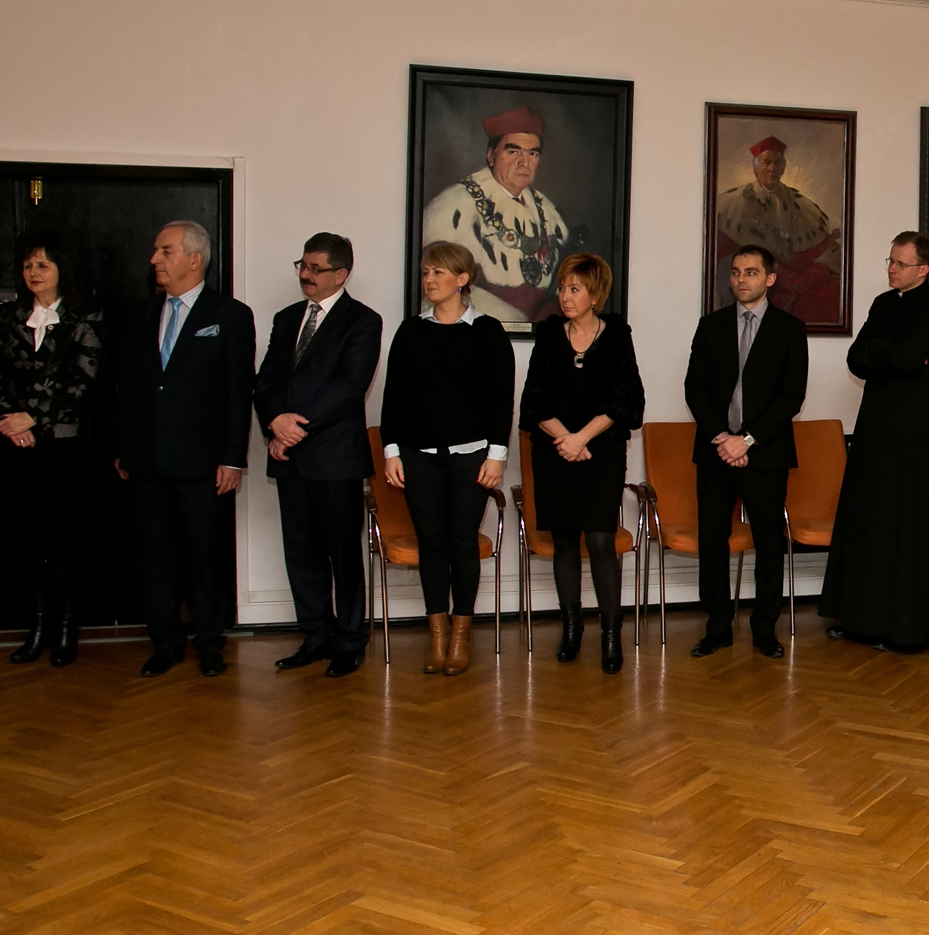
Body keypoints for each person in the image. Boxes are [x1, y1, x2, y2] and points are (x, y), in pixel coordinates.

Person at [114, 220, 256, 678]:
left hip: (204, 464)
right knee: (156, 557)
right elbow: (128, 388)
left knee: (206, 556)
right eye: (156, 251)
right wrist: (123, 447)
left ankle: (210, 642)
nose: (154, 259)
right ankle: (166, 643)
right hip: (147, 460)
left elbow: (238, 393)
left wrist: (232, 457)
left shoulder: (230, 315)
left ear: (195, 259)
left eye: (165, 251)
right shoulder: (141, 314)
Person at [380, 241, 514, 676]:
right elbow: (394, 397)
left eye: (438, 272)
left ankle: (461, 635)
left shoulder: (487, 331)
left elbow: (501, 399)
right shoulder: (411, 331)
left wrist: (496, 455)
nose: (429, 280)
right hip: (417, 456)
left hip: (472, 456)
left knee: (462, 543)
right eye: (425, 273)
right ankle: (436, 635)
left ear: (462, 279)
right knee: (432, 543)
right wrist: (391, 450)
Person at [255, 233, 384, 678]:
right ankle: (315, 634)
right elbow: (266, 381)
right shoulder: (286, 317)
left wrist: (293, 429)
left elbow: (349, 387)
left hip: (334, 459)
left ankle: (349, 641)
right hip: (288, 457)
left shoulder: (362, 321)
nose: (305, 275)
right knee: (302, 553)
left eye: (315, 268)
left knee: (342, 554)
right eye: (302, 266)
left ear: (340, 274)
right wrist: (274, 422)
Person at [820, 231, 929, 650]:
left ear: (923, 269)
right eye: (890, 261)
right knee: (868, 517)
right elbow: (856, 359)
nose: (891, 269)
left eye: (900, 263)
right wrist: (892, 354)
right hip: (874, 422)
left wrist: (887, 353)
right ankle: (859, 618)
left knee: (902, 521)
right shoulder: (882, 303)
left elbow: (911, 356)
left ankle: (901, 627)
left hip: (911, 428)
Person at [0, 233, 102, 667]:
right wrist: (9, 421)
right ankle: (36, 630)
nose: (34, 273)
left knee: (64, 539)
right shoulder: (9, 314)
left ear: (62, 270)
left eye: (43, 265)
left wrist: (33, 418)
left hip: (66, 446)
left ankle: (66, 631)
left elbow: (84, 380)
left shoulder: (86, 315)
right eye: (29, 265)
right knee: (27, 539)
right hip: (18, 446)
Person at [520, 253, 645, 673]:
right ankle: (571, 629)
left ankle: (611, 634)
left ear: (595, 295)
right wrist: (566, 440)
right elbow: (533, 401)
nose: (565, 296)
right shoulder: (549, 335)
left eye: (574, 289)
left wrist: (582, 438)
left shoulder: (617, 336)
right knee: (564, 540)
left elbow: (627, 400)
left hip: (601, 452)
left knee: (600, 540)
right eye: (562, 288)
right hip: (554, 451)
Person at [683, 245, 808, 660]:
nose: (741, 279)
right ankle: (718, 626)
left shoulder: (790, 329)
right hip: (716, 452)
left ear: (770, 279)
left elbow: (791, 396)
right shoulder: (710, 326)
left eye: (751, 272)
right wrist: (723, 437)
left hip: (766, 453)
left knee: (769, 544)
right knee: (712, 541)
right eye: (736, 272)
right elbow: (694, 388)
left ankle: (764, 629)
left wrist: (747, 440)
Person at [422, 106, 568, 323]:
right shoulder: (453, 205)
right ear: (491, 156)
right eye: (513, 152)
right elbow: (440, 288)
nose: (524, 162)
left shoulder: (547, 210)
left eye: (532, 153)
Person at [712, 137, 842, 327]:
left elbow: (824, 246)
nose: (772, 168)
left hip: (794, 284)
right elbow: (726, 256)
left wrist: (815, 272)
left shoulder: (800, 204)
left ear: (783, 168)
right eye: (767, 163)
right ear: (756, 169)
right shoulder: (731, 205)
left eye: (777, 163)